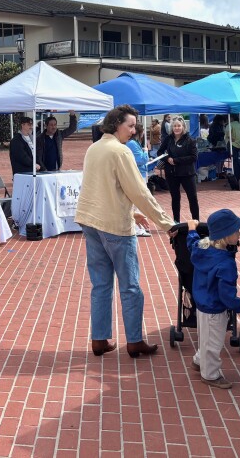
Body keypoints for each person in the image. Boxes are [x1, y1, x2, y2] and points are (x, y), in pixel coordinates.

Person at [74, 104, 175, 359]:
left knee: (101, 285)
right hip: (114, 227)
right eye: (130, 125)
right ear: (116, 124)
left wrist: (132, 212)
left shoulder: (94, 148)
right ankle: (134, 340)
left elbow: (102, 189)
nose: (134, 130)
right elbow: (138, 191)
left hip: (90, 222)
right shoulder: (120, 152)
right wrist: (167, 223)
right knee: (130, 286)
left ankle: (99, 339)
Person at [186, 210, 240, 389]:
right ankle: (210, 375)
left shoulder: (201, 247)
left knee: (205, 337)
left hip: (202, 304)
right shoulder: (226, 263)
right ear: (226, 235)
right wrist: (239, 309)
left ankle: (199, 361)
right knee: (214, 342)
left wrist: (191, 229)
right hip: (215, 307)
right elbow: (227, 293)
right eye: (237, 231)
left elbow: (191, 242)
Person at [159, 117, 199, 222]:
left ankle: (196, 221)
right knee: (175, 198)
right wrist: (167, 158)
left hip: (187, 173)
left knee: (192, 198)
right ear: (172, 127)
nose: (177, 128)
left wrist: (176, 160)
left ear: (183, 127)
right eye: (175, 126)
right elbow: (160, 153)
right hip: (172, 174)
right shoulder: (168, 139)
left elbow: (193, 157)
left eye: (179, 126)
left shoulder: (190, 140)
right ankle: (176, 221)